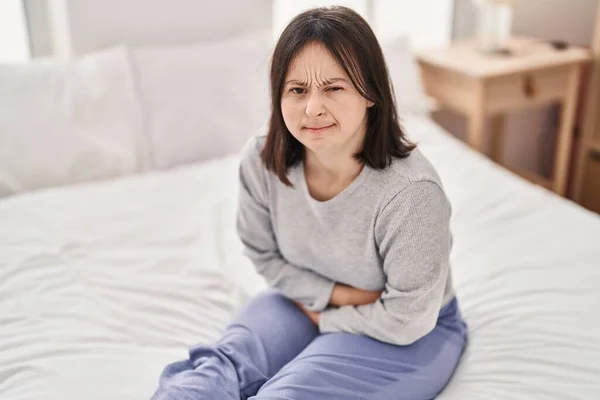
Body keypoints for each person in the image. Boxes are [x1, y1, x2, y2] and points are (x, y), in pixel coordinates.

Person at [151, 6, 468, 400]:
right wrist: (336, 298)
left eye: (334, 88)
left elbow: (408, 319)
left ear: (370, 92)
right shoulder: (262, 158)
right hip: (300, 301)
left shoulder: (411, 193)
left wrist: (328, 319)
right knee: (213, 375)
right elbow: (264, 255)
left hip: (411, 330)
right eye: (297, 90)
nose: (312, 108)